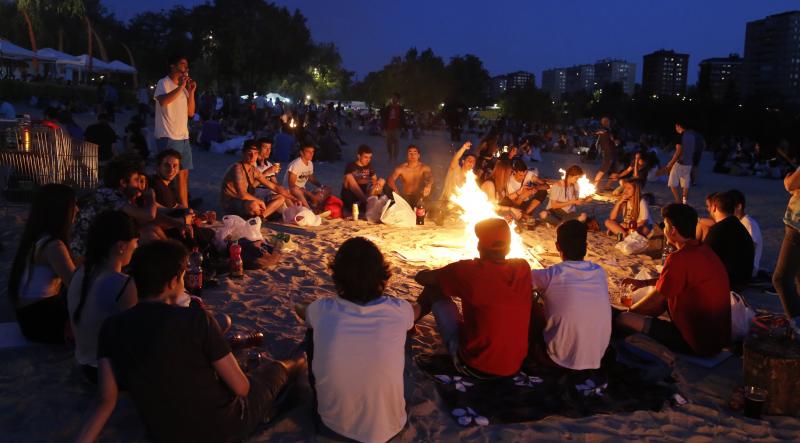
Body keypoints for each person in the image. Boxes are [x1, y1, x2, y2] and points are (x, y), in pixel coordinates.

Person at [75, 240, 306, 443]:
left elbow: (106, 400)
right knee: (273, 371)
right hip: (224, 427)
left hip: (163, 433)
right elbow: (242, 388)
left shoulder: (111, 327)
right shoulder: (195, 319)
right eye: (183, 276)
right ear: (173, 281)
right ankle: (298, 362)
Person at [295, 238, 416, 442]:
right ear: (382, 274)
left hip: (333, 427)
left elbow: (301, 309)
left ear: (337, 275)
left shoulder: (321, 310)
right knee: (406, 333)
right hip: (392, 426)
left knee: (312, 333)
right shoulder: (399, 309)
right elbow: (416, 311)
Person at [415, 218, 532, 377]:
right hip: (514, 366)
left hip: (475, 365)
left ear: (479, 246)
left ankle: (409, 322)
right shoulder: (523, 268)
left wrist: (433, 272)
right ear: (509, 247)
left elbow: (422, 278)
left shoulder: (469, 271)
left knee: (434, 289)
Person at [615, 204, 730, 356]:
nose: (663, 230)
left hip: (695, 343)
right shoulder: (704, 250)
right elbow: (671, 280)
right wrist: (643, 283)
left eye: (665, 226)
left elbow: (656, 299)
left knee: (624, 318)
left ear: (673, 230)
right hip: (717, 340)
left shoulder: (679, 258)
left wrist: (630, 313)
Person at [529, 220, 611, 370]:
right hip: (596, 356)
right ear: (586, 247)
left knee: (529, 301)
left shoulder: (552, 274)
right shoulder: (599, 271)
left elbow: (519, 280)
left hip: (558, 359)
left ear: (557, 246)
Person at [68, 211, 138, 383]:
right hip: (108, 373)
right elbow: (137, 336)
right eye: (135, 242)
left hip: (85, 363)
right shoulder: (122, 284)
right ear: (121, 246)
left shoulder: (81, 272)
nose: (136, 247)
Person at [8, 184, 77, 343]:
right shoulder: (54, 246)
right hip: (42, 319)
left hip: (28, 315)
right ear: (60, 211)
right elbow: (75, 284)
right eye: (74, 206)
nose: (77, 210)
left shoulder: (38, 237)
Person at [70, 158, 157, 259]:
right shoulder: (109, 195)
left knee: (151, 231)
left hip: (98, 246)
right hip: (87, 253)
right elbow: (149, 215)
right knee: (149, 237)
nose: (142, 186)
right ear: (123, 182)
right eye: (137, 180)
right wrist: (150, 197)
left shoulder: (111, 194)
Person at [154, 54, 197, 208]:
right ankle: (165, 205)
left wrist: (191, 91)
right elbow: (164, 101)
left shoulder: (183, 88)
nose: (186, 67)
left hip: (183, 136)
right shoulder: (163, 83)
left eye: (187, 64)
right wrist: (181, 87)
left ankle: (184, 208)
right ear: (173, 66)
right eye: (182, 63)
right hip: (168, 135)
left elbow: (191, 113)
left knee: (183, 174)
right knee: (168, 174)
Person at [220, 139, 294, 219]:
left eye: (255, 153)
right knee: (254, 205)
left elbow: (274, 186)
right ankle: (258, 215)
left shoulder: (253, 169)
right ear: (243, 153)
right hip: (231, 202)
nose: (252, 156)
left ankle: (260, 218)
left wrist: (292, 198)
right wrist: (259, 201)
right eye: (249, 153)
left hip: (246, 201)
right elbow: (242, 194)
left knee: (281, 197)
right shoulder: (237, 168)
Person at [704, 191, 755, 292]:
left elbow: (704, 259)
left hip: (728, 283)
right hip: (742, 280)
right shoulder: (739, 226)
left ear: (714, 207)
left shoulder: (718, 230)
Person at [774, 166, 800, 323]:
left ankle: (797, 324)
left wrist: (790, 177)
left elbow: (790, 185)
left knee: (781, 279)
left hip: (797, 225)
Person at [660, 120, 698, 204]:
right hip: (689, 162)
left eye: (676, 127)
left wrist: (671, 162)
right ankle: (684, 201)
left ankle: (678, 201)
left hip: (680, 161)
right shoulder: (691, 137)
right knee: (686, 183)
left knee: (672, 183)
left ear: (679, 126)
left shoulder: (681, 136)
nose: (676, 128)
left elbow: (678, 151)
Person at [729, 189, 763, 279]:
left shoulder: (748, 223)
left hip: (749, 269)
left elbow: (750, 249)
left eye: (729, 207)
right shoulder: (737, 222)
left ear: (739, 206)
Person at [341, 144, 386, 211]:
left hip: (365, 195)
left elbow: (374, 181)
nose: (368, 160)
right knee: (348, 177)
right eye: (366, 157)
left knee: (381, 181)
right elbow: (357, 181)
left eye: (370, 157)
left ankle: (367, 202)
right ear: (359, 156)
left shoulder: (369, 167)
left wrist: (378, 183)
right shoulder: (351, 166)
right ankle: (366, 202)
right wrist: (370, 180)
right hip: (352, 196)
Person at [285, 143, 326, 209]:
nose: (311, 154)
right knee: (297, 190)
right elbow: (291, 185)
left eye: (312, 152)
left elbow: (310, 177)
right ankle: (309, 209)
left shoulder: (310, 163)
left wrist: (321, 186)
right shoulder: (296, 164)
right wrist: (308, 193)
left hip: (303, 191)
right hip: (292, 192)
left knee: (326, 189)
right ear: (301, 153)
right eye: (308, 152)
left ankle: (314, 205)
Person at [592, 117, 616, 190]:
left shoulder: (608, 130)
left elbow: (611, 139)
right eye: (607, 121)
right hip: (607, 152)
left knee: (612, 170)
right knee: (603, 169)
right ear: (605, 122)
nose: (608, 123)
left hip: (611, 152)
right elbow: (595, 132)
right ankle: (594, 186)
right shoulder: (603, 129)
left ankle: (607, 186)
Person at [382, 93, 403, 163]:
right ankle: (390, 156)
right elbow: (384, 117)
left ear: (398, 99)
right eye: (392, 97)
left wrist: (403, 127)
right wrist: (383, 127)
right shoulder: (388, 107)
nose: (393, 99)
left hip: (397, 127)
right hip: (389, 127)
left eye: (395, 98)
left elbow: (403, 118)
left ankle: (395, 157)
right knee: (389, 143)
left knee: (396, 142)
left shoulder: (400, 108)